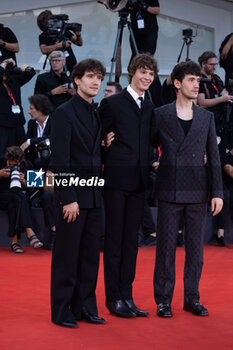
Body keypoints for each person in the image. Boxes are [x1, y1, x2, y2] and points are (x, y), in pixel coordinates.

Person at [151, 61, 223, 318]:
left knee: (196, 251)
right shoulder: (160, 114)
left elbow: (214, 157)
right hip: (169, 190)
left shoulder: (207, 117)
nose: (197, 86)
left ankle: (192, 298)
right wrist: (153, 162)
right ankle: (163, 300)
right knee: (166, 249)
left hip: (198, 190)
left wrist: (217, 192)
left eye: (198, 81)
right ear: (178, 83)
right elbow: (147, 145)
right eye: (192, 80)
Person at [50, 58, 108, 328]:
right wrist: (68, 198)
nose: (95, 81)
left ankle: (85, 307)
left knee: (89, 258)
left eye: (98, 77)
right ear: (76, 80)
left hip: (95, 197)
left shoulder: (95, 112)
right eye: (90, 76)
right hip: (74, 199)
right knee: (66, 256)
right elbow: (60, 160)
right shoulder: (63, 113)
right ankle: (62, 311)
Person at [100, 53, 158, 318]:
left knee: (131, 243)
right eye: (143, 72)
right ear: (132, 72)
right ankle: (113, 299)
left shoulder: (150, 106)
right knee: (114, 241)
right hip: (115, 181)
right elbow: (98, 137)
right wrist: (104, 143)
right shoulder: (113, 103)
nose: (147, 77)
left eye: (151, 74)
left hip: (139, 183)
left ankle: (127, 295)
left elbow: (152, 140)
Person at [20, 94, 56, 250]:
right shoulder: (32, 124)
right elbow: (28, 152)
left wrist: (31, 142)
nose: (28, 112)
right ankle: (31, 233)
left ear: (40, 110)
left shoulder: (55, 121)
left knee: (48, 195)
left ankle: (54, 234)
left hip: (53, 170)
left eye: (31, 109)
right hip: (37, 168)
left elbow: (54, 139)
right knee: (25, 194)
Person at [0, 146, 43, 253]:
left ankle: (14, 243)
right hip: (1, 196)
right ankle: (30, 232)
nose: (12, 166)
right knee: (19, 197)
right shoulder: (0, 161)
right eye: (10, 164)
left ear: (21, 161)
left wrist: (24, 181)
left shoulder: (29, 165)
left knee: (14, 203)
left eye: (15, 164)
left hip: (16, 198)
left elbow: (34, 189)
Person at [0, 58, 35, 157]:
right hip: (3, 124)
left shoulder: (14, 81)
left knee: (20, 152)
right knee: (3, 152)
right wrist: (5, 63)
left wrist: (25, 68)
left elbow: (30, 73)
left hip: (17, 122)